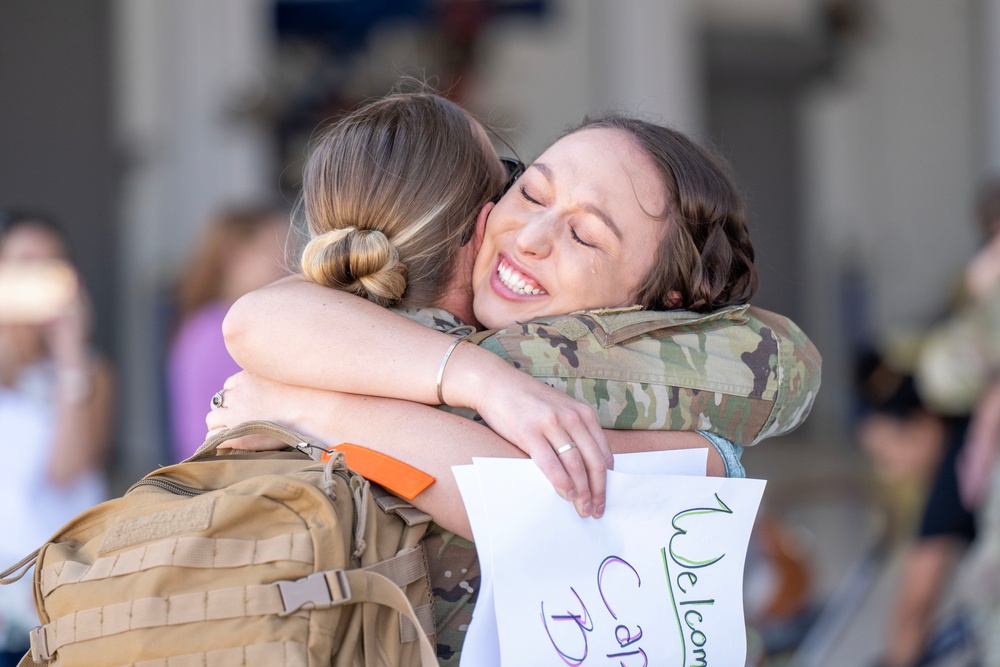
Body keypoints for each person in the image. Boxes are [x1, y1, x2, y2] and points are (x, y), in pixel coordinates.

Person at [207, 91, 820, 663]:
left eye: (584, 235)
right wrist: (483, 379)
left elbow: (511, 493)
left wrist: (300, 404)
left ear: (660, 300)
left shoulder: (686, 432)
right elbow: (256, 319)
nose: (530, 239)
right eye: (528, 193)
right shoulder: (392, 336)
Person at [0, 212, 114, 666]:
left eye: (53, 264)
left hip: (67, 585)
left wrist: (70, 354)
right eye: (25, 263)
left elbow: (68, 468)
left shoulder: (92, 373)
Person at [855, 349, 974, 667]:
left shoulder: (959, 465)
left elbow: (916, 602)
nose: (887, 473)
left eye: (887, 456)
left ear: (923, 426)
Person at [166, 204, 289, 461]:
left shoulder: (205, 322)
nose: (287, 263)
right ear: (235, 257)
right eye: (273, 249)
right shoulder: (220, 330)